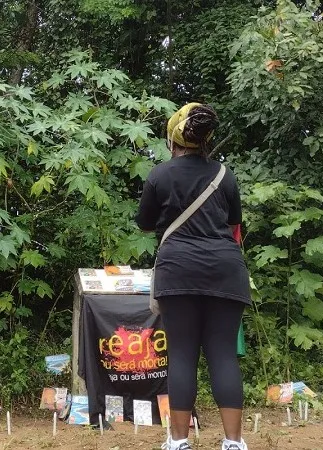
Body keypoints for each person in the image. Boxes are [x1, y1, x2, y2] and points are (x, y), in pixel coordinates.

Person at [135, 103, 251, 450]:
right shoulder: (223, 175)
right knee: (223, 355)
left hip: (178, 269)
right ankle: (233, 443)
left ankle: (179, 441)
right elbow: (234, 221)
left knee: (182, 354)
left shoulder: (160, 175)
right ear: (206, 140)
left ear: (172, 138)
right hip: (226, 270)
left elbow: (144, 222)